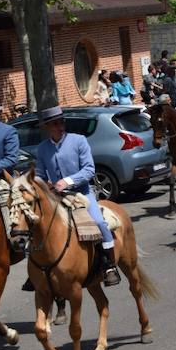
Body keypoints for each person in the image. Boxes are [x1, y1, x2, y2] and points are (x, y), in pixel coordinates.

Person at [35, 106, 120, 287]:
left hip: (82, 194)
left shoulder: (79, 141)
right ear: (47, 127)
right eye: (55, 124)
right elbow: (40, 175)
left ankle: (109, 265)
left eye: (61, 122)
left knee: (98, 223)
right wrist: (35, 182)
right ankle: (38, 270)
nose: (60, 126)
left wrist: (67, 181)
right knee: (38, 226)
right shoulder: (42, 149)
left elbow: (89, 169)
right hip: (56, 197)